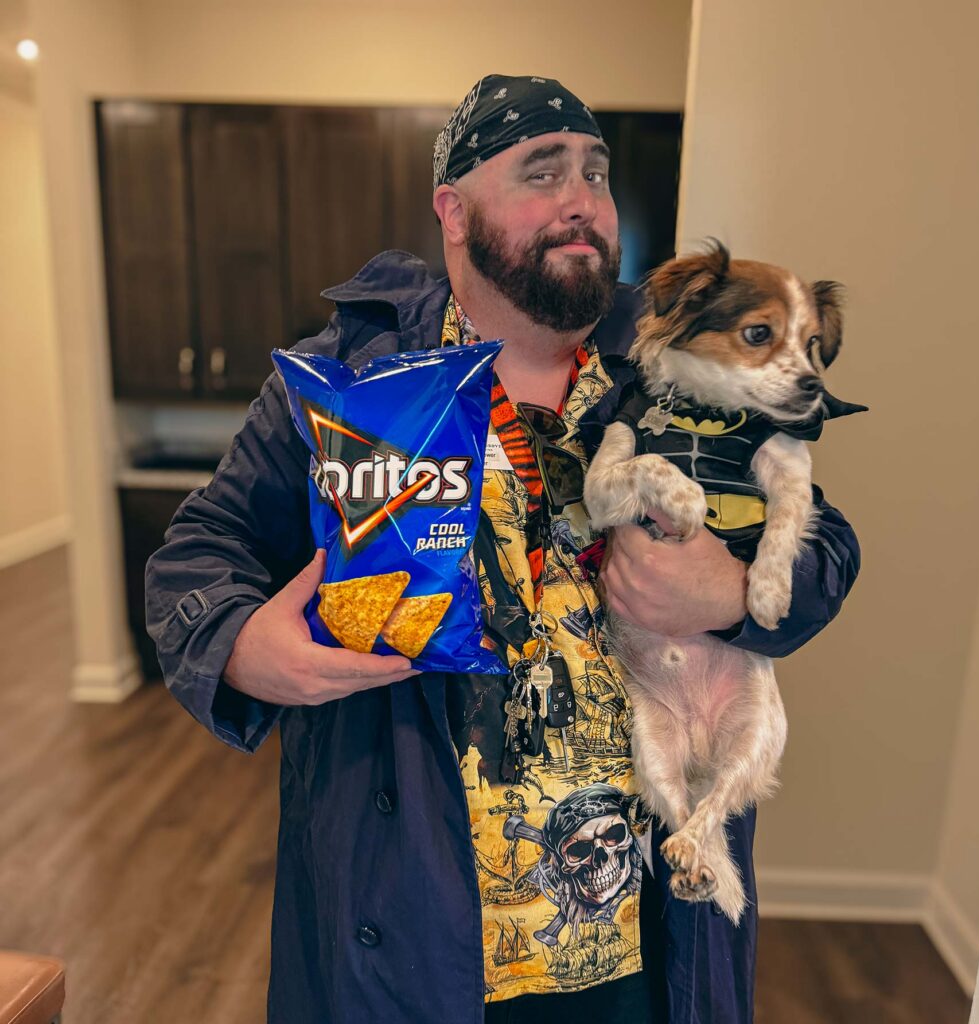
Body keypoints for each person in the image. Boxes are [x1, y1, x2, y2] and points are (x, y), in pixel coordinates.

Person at [146, 74, 860, 1024]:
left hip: (643, 933)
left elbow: (827, 544)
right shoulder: (349, 378)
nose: (582, 200)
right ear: (454, 209)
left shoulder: (665, 363)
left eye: (596, 173)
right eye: (541, 171)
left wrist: (730, 590)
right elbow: (201, 548)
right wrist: (243, 647)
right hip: (419, 938)